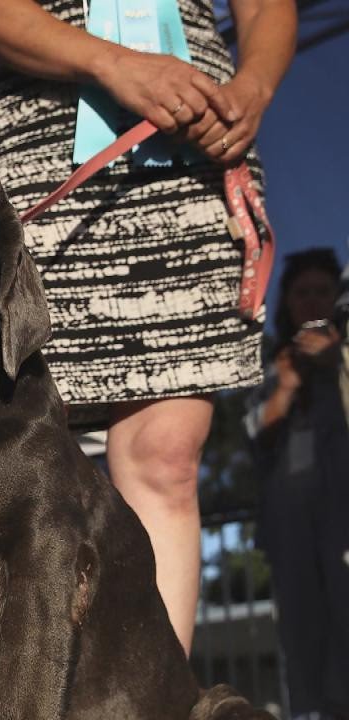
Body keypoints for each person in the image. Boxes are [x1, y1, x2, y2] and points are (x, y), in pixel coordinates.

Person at [0, 0, 297, 653]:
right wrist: (114, 64)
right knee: (30, 460)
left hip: (195, 145)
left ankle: (155, 695)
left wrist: (253, 88)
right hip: (47, 147)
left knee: (167, 458)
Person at [244, 248, 348, 720]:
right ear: (285, 301)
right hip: (291, 524)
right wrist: (286, 385)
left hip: (341, 513)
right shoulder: (270, 366)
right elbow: (255, 435)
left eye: (322, 292)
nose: (311, 303)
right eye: (301, 293)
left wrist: (337, 364)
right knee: (302, 630)